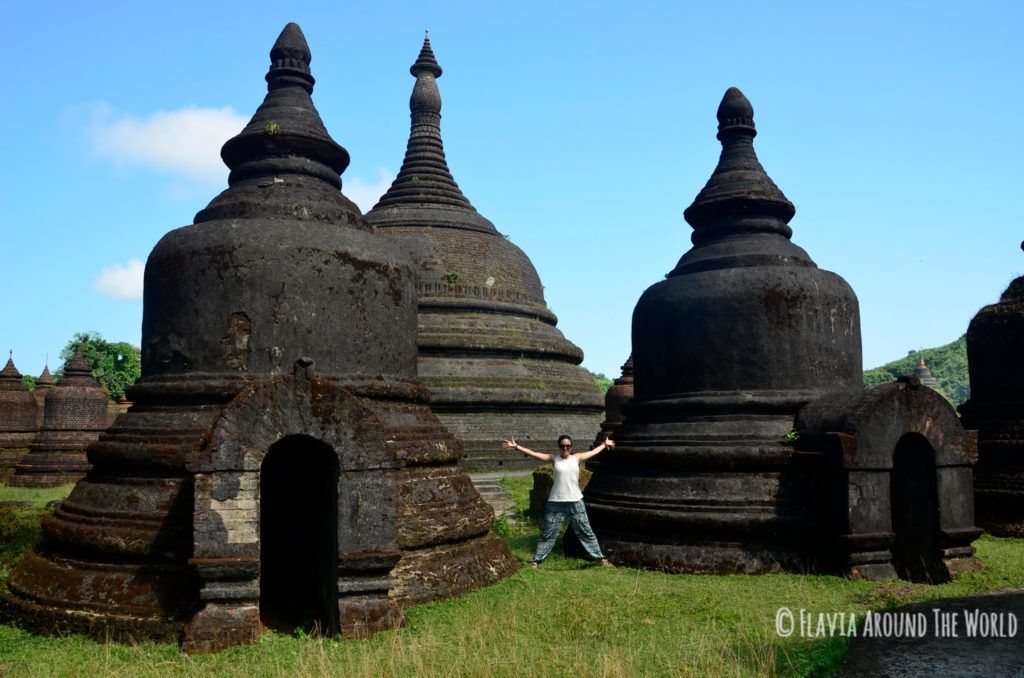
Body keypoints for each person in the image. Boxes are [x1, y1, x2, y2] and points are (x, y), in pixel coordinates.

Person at [502, 434, 614, 568]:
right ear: (559, 447)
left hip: (575, 501)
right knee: (548, 533)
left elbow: (592, 452)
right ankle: (536, 561)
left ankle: (600, 558)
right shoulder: (554, 458)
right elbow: (534, 454)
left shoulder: (576, 458)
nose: (565, 448)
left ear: (571, 446)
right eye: (562, 446)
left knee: (586, 531)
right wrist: (517, 447)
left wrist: (604, 444)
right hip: (556, 501)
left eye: (567, 446)